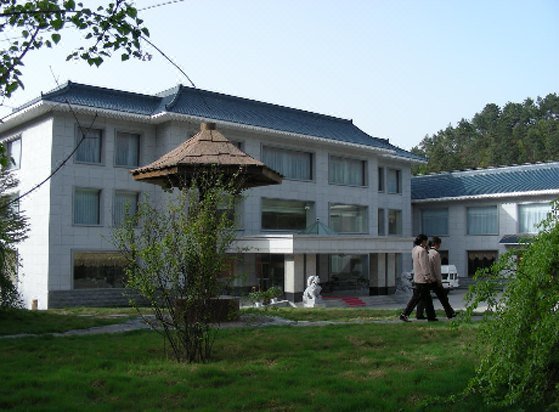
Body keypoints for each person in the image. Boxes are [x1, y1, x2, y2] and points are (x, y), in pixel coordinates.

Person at [416, 237, 457, 319]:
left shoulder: (425, 252)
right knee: (443, 297)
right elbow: (437, 269)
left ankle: (419, 314)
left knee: (423, 297)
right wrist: (439, 280)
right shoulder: (436, 254)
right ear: (437, 244)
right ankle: (450, 313)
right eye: (439, 244)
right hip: (434, 279)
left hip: (425, 279)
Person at [399, 234, 438, 322]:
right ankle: (404, 314)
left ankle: (431, 316)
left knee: (427, 299)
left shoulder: (415, 249)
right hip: (423, 279)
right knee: (416, 298)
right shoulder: (422, 251)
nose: (427, 242)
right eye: (426, 241)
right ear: (424, 241)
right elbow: (424, 265)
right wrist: (428, 276)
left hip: (417, 277)